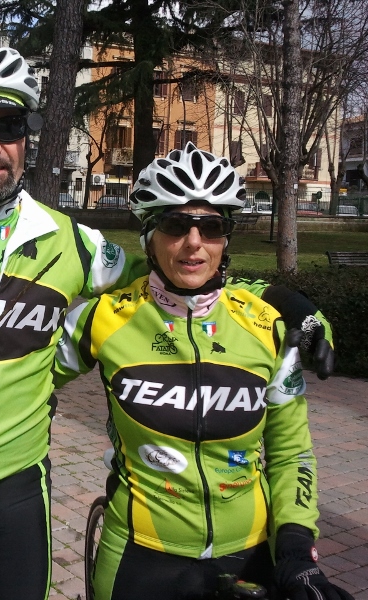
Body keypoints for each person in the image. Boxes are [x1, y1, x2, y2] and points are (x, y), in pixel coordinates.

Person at [0, 37, 333, 600]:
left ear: (26, 139)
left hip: (16, 492)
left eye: (9, 127)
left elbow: (176, 272)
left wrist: (278, 299)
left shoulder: (73, 242)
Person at [56, 144, 352, 600]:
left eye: (211, 227)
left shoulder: (268, 326)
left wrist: (296, 549)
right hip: (137, 552)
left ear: (225, 240)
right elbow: (23, 383)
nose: (194, 242)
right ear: (149, 237)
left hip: (250, 550)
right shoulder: (102, 319)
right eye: (176, 225)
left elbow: (292, 454)